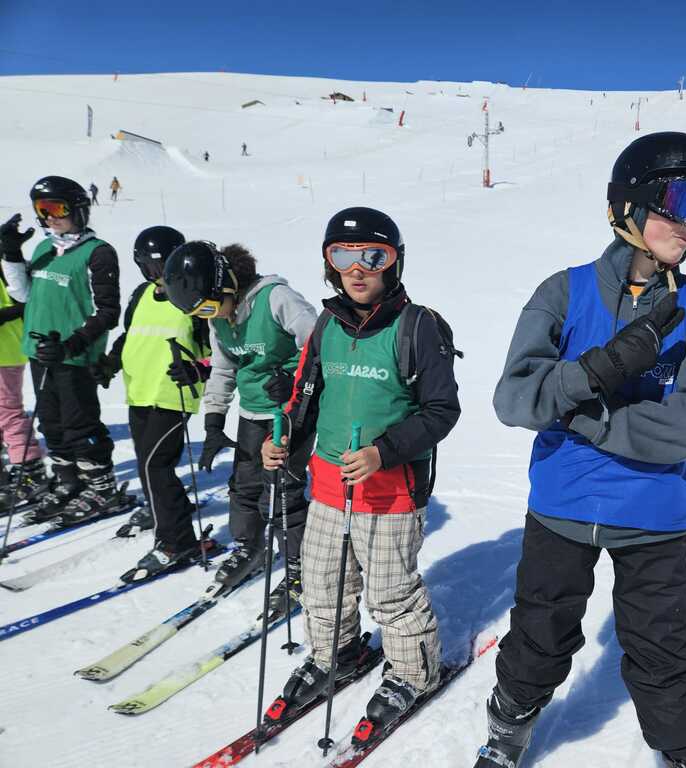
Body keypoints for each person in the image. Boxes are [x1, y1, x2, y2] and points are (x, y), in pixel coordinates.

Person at [474, 132, 686, 768]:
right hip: (561, 507)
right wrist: (595, 370)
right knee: (538, 638)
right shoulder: (564, 293)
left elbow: (685, 428)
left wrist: (580, 413)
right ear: (628, 205)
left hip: (653, 517)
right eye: (681, 198)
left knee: (662, 658)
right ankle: (508, 730)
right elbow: (514, 400)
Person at [261, 207, 460, 730]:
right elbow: (306, 397)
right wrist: (283, 441)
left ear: (393, 263)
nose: (357, 269)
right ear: (329, 263)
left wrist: (383, 452)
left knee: (391, 594)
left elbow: (442, 410)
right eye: (343, 255)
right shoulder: (326, 325)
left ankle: (415, 673)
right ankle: (336, 653)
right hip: (327, 488)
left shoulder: (417, 326)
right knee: (322, 584)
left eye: (374, 256)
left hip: (391, 493)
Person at [162, 240, 317, 606]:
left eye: (209, 307)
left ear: (226, 283)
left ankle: (301, 567)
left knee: (283, 493)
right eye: (200, 313)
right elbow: (223, 369)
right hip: (252, 413)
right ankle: (250, 547)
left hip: (290, 411)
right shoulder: (219, 317)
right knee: (244, 487)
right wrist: (214, 423)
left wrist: (294, 379)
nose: (210, 315)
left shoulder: (276, 298)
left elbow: (321, 343)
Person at [93, 225, 216, 581]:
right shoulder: (141, 295)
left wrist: (199, 369)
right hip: (140, 391)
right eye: (149, 266)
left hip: (173, 393)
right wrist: (110, 362)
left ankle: (177, 541)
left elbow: (217, 351)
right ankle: (164, 510)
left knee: (155, 466)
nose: (157, 274)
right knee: (148, 463)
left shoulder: (193, 297)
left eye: (163, 266)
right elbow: (130, 335)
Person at [0, 176, 121, 525]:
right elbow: (23, 295)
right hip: (40, 352)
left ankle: (101, 486)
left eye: (56, 208)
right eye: (42, 210)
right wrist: (11, 253)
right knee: (52, 423)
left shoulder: (97, 252)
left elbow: (108, 312)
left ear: (78, 209)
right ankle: (69, 480)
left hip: (75, 357)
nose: (49, 217)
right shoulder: (44, 248)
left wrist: (71, 344)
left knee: (79, 422)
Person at [0, 233, 47, 511]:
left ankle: (30, 471)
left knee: (7, 412)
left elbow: (27, 301)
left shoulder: (7, 265)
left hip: (5, 352)